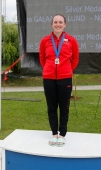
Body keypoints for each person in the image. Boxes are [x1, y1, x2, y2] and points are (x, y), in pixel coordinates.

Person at [39, 14, 79, 147]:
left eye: (60, 22)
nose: (58, 24)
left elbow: (75, 59)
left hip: (65, 78)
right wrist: (49, 69)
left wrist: (67, 70)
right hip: (49, 78)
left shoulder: (71, 40)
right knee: (51, 107)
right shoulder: (45, 40)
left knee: (64, 107)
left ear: (65, 24)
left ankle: (62, 134)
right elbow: (42, 59)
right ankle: (54, 133)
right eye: (55, 22)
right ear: (52, 24)